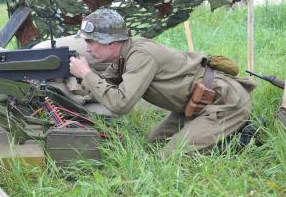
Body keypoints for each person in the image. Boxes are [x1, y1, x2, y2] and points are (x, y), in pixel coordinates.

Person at [69, 8, 256, 157]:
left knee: (168, 158)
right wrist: (81, 79)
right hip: (193, 106)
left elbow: (120, 104)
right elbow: (104, 87)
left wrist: (86, 73)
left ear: (111, 42)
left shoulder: (140, 55)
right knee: (151, 146)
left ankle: (241, 136)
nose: (87, 48)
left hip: (224, 102)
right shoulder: (123, 57)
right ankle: (214, 134)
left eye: (91, 42)